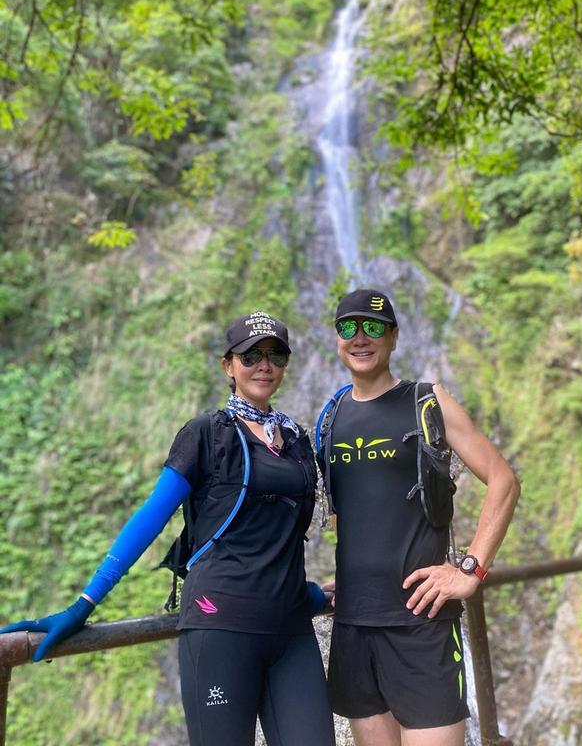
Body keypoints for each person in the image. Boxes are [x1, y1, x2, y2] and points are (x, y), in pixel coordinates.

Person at [0, 310, 336, 746]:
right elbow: (149, 519)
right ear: (228, 365)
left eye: (276, 354)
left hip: (291, 628)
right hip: (221, 627)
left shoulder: (295, 440)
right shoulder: (206, 433)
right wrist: (83, 605)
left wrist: (305, 592)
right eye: (251, 355)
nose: (264, 365)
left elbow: (282, 533)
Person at [317, 289, 520, 746]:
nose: (360, 337)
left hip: (420, 624)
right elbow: (348, 513)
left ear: (393, 337)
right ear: (337, 339)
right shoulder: (331, 418)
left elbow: (503, 481)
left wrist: (471, 568)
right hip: (353, 626)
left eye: (373, 327)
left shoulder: (427, 402)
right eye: (348, 328)